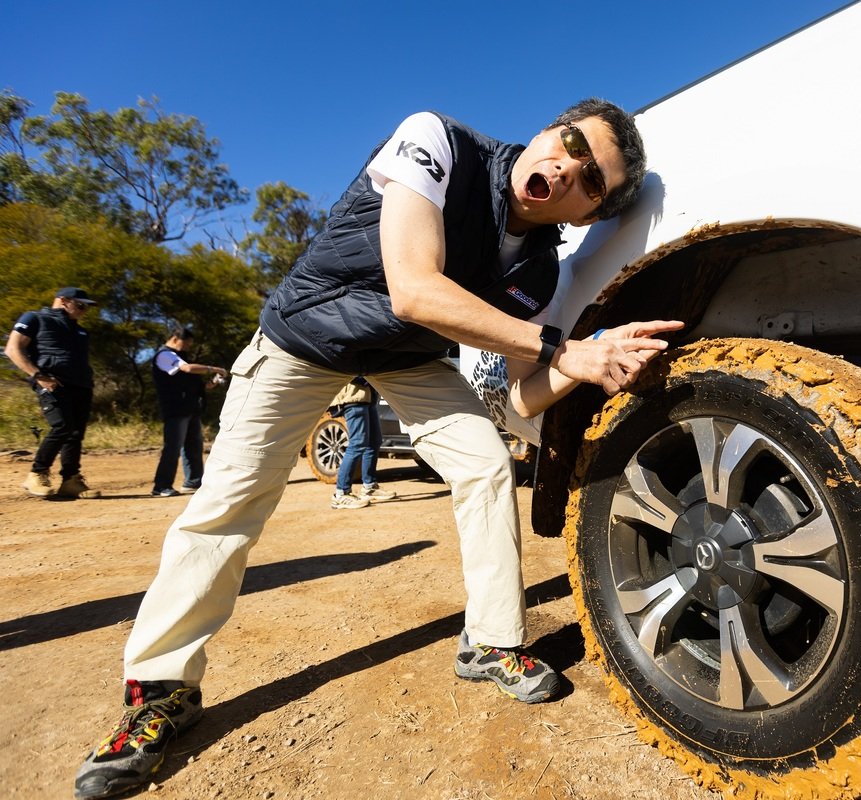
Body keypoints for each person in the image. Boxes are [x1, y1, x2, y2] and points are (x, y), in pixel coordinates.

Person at [75, 97, 683, 800]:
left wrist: (588, 362)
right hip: (306, 336)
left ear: (585, 216)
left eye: (591, 181)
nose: (566, 168)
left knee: (485, 462)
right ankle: (160, 690)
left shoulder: (539, 275)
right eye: (571, 143)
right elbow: (415, 291)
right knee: (230, 501)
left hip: (406, 360)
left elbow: (519, 402)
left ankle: (489, 641)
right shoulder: (437, 142)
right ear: (549, 127)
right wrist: (565, 346)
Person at [5, 287, 102, 499]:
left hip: (82, 385)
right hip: (52, 382)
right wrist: (37, 375)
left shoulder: (79, 330)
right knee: (62, 426)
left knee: (75, 433)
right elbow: (13, 349)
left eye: (86, 307)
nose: (84, 310)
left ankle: (71, 480)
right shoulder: (35, 318)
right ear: (63, 300)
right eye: (80, 305)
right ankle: (37, 473)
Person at [150, 327, 229, 497]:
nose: (188, 347)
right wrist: (213, 368)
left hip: (191, 408)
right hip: (175, 408)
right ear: (175, 338)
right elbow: (187, 369)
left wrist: (212, 382)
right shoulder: (164, 355)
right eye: (187, 343)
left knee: (194, 446)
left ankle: (193, 482)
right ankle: (161, 486)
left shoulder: (181, 358)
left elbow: (198, 384)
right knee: (173, 447)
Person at [329, 376, 397, 509]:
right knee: (357, 444)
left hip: (368, 397)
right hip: (353, 397)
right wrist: (368, 376)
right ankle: (341, 493)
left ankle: (369, 487)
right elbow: (345, 367)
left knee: (374, 441)